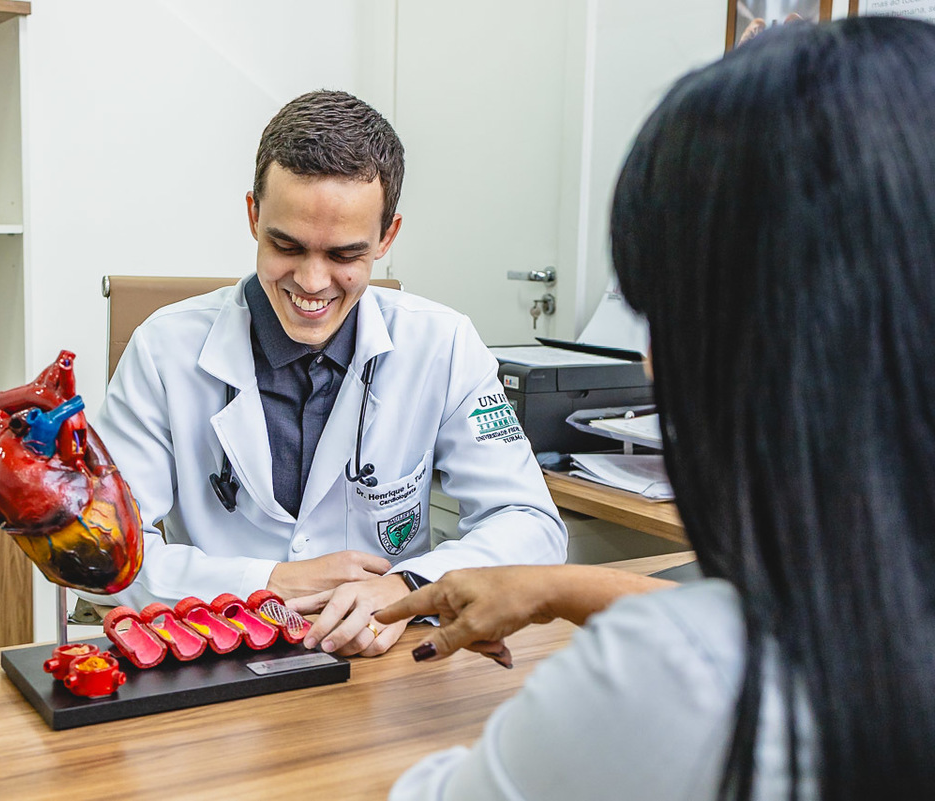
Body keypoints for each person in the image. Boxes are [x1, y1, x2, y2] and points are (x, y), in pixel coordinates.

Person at [377, 17, 935, 799]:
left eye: (662, 315)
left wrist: (417, 575)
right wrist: (558, 588)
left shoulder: (681, 682)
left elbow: (531, 524)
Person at [87, 89, 567, 656]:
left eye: (344, 256)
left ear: (386, 238)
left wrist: (410, 587)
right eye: (286, 245)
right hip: (222, 663)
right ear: (253, 216)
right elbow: (103, 554)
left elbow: (529, 522)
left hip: (387, 667)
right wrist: (261, 584)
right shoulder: (163, 350)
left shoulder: (444, 345)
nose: (312, 283)